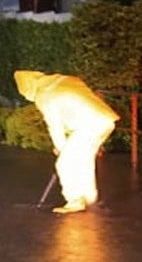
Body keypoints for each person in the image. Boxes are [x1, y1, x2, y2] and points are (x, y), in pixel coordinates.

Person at [14, 70, 119, 214]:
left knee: (64, 163)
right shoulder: (66, 80)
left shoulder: (44, 95)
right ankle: (89, 200)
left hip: (88, 125)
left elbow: (54, 125)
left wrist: (61, 148)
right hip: (104, 120)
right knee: (83, 162)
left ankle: (75, 200)